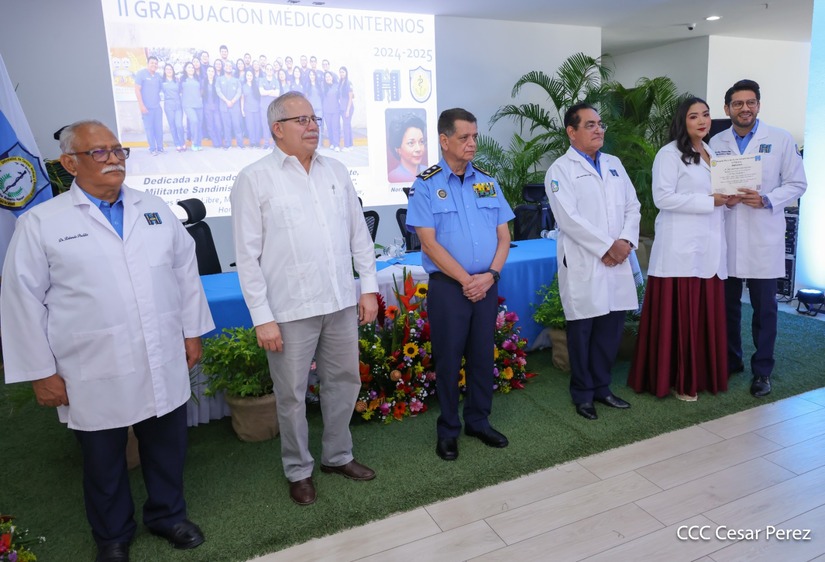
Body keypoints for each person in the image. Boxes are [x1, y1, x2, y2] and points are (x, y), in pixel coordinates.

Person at [1, 120, 214, 562]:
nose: (114, 158)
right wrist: (41, 372)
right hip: (90, 366)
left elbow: (184, 275)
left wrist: (192, 332)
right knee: (103, 461)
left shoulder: (153, 209)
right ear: (69, 163)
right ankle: (113, 536)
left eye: (118, 150)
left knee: (166, 447)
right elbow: (21, 301)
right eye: (99, 152)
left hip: (161, 355)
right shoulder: (42, 222)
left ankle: (168, 515)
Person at [230, 92, 378, 506]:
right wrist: (263, 317)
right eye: (301, 119)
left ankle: (337, 455)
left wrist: (367, 287)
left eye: (314, 118)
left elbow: (357, 235)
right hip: (289, 309)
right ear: (277, 129)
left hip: (338, 301)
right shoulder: (254, 178)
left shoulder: (336, 171)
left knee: (344, 381)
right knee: (292, 394)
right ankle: (298, 469)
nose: (312, 126)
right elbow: (247, 256)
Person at [406, 108, 514, 461]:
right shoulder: (426, 185)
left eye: (475, 136)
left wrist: (490, 276)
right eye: (465, 137)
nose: (472, 143)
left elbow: (504, 236)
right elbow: (429, 244)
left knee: (483, 356)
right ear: (444, 140)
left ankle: (479, 421)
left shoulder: (486, 181)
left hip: (485, 284)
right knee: (449, 361)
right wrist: (469, 281)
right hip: (451, 289)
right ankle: (449, 429)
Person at [709, 79, 807, 397]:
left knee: (765, 310)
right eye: (738, 103)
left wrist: (766, 199)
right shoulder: (716, 141)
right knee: (728, 306)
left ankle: (762, 371)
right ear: (728, 109)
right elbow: (706, 185)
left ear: (759, 105)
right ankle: (731, 360)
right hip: (727, 235)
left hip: (764, 236)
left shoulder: (779, 139)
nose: (745, 108)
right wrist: (719, 196)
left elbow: (797, 183)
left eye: (751, 102)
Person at [628, 97, 729, 400]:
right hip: (680, 248)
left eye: (706, 115)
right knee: (681, 315)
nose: (702, 121)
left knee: (703, 315)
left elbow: (717, 194)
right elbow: (663, 198)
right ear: (682, 121)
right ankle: (676, 380)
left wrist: (729, 198)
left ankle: (702, 376)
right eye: (694, 116)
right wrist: (710, 201)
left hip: (709, 247)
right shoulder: (668, 154)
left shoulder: (711, 153)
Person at [545, 103, 640, 421]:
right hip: (585, 262)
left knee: (611, 328)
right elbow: (568, 219)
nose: (599, 129)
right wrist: (607, 247)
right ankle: (583, 394)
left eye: (600, 124)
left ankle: (603, 387)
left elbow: (633, 206)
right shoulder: (560, 170)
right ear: (572, 132)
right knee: (583, 330)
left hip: (617, 260)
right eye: (590, 125)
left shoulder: (614, 164)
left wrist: (625, 242)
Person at [134, 55, 164, 155]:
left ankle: (160, 148)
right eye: (152, 63)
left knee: (159, 128)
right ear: (148, 64)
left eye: (156, 63)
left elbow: (161, 89)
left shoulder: (158, 76)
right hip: (146, 108)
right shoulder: (141, 74)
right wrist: (141, 106)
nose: (154, 65)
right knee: (149, 129)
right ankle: (152, 149)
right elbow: (137, 90)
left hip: (157, 108)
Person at [388, 113, 426, 182]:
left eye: (421, 142)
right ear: (398, 149)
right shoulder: (393, 177)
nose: (418, 149)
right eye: (411, 143)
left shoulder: (429, 172)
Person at [217, 60, 243, 149]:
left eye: (230, 66)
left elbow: (239, 92)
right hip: (224, 107)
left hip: (235, 107)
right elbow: (218, 91)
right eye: (226, 66)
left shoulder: (236, 80)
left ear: (232, 68)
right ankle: (228, 144)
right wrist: (227, 101)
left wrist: (232, 101)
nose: (228, 67)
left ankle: (240, 144)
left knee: (237, 125)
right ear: (224, 68)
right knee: (226, 126)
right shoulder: (219, 79)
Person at [160, 63, 185, 152]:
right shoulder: (162, 82)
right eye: (167, 69)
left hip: (178, 105)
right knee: (173, 126)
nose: (169, 71)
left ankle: (182, 142)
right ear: (164, 71)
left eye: (170, 69)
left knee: (179, 125)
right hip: (168, 105)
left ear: (173, 71)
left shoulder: (177, 81)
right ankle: (177, 143)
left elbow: (182, 91)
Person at [180, 62, 204, 151]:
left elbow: (201, 91)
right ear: (185, 69)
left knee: (199, 125)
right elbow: (180, 91)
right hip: (188, 105)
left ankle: (198, 143)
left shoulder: (198, 79)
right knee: (194, 121)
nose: (191, 69)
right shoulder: (182, 80)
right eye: (189, 67)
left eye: (192, 68)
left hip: (198, 105)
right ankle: (194, 143)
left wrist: (199, 98)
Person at [241, 69, 262, 149]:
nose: (249, 77)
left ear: (253, 76)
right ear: (245, 76)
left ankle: (257, 142)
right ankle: (252, 142)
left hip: (256, 108)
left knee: (257, 126)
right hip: (248, 109)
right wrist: (242, 109)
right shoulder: (243, 86)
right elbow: (242, 98)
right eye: (248, 75)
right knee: (250, 126)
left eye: (250, 75)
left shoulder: (256, 86)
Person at [322, 71, 340, 151]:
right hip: (326, 111)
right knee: (329, 128)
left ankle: (336, 145)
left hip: (335, 110)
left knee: (335, 127)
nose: (328, 78)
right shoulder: (323, 87)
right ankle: (332, 143)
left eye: (329, 76)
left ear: (332, 77)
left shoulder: (337, 86)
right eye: (326, 77)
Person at [338, 66, 354, 150]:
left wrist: (347, 110)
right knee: (347, 126)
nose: (341, 73)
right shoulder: (341, 83)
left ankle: (347, 146)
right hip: (342, 108)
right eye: (340, 72)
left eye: (343, 72)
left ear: (346, 73)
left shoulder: (348, 83)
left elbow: (350, 98)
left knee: (345, 127)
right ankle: (350, 145)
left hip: (348, 108)